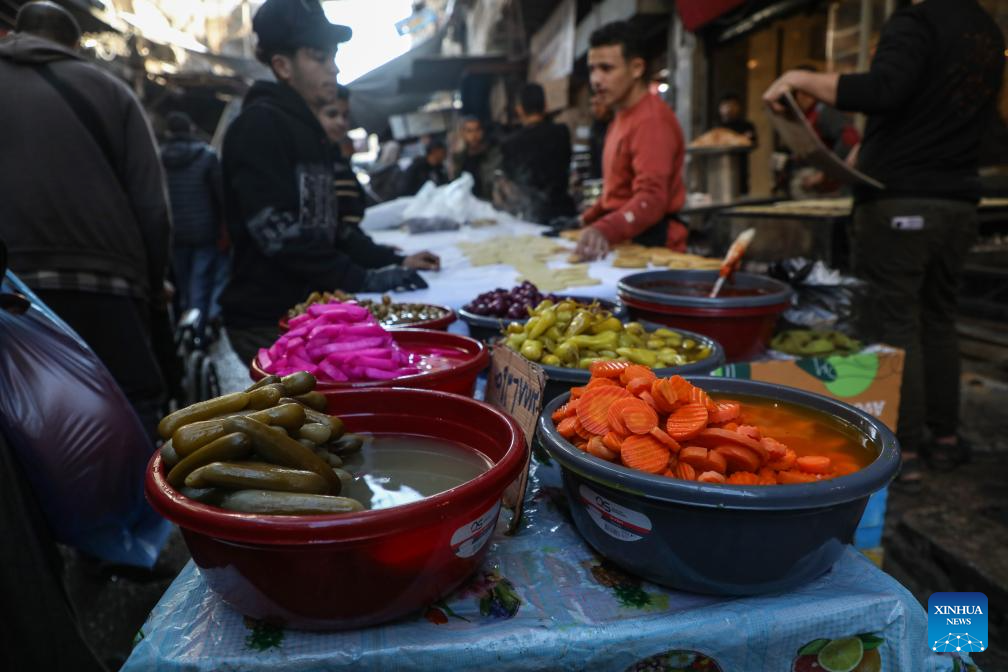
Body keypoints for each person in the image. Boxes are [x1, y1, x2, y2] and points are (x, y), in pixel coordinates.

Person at [764, 0, 1004, 485]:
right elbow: (928, 106)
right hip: (958, 201)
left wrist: (799, 77)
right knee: (938, 316)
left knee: (894, 320)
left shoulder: (917, 19)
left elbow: (882, 89)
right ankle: (945, 438)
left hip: (903, 203)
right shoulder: (985, 28)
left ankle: (905, 448)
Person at [219, 0, 439, 366]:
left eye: (333, 56)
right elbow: (281, 235)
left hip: (312, 315)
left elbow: (334, 231)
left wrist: (393, 260)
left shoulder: (309, 133)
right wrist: (364, 278)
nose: (334, 68)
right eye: (319, 58)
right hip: (270, 321)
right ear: (282, 66)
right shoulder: (259, 127)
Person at [0, 1, 171, 437]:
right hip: (109, 286)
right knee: (131, 412)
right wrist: (154, 285)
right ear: (75, 44)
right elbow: (153, 207)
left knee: (25, 429)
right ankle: (142, 502)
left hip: (12, 290)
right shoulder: (113, 92)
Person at [575, 21, 688, 261]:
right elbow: (617, 192)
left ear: (636, 68)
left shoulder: (651, 120)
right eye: (592, 69)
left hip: (654, 248)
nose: (596, 79)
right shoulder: (620, 117)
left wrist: (604, 228)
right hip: (627, 239)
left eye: (606, 68)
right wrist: (586, 218)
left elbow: (652, 199)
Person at [161, 111, 226, 342]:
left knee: (181, 286)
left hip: (174, 233)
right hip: (204, 231)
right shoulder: (206, 156)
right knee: (200, 285)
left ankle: (181, 336)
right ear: (190, 130)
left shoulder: (159, 158)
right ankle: (195, 338)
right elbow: (221, 196)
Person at [498, 83, 577, 224]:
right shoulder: (561, 133)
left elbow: (510, 185)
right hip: (564, 212)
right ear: (545, 105)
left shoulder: (510, 144)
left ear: (519, 110)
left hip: (532, 218)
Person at [789, 65, 862, 197]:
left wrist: (826, 174)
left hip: (828, 187)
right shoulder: (809, 113)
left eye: (803, 91)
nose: (800, 97)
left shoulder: (824, 110)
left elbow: (849, 138)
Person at [713, 92, 756, 194]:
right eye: (726, 105)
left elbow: (752, 142)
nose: (730, 108)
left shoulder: (746, 126)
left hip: (740, 167)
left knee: (741, 189)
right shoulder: (716, 127)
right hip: (718, 168)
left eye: (733, 105)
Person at [450, 115, 500, 199]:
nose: (474, 135)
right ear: (463, 133)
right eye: (469, 131)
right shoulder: (460, 158)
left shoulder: (492, 152)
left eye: (477, 130)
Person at [588, 92, 613, 180]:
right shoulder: (595, 128)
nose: (595, 109)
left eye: (598, 104)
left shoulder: (617, 125)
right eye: (592, 105)